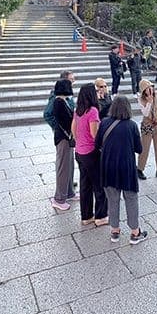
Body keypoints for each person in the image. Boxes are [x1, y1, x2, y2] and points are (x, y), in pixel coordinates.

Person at [95, 95, 147, 244]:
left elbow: (97, 143)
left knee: (112, 199)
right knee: (131, 198)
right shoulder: (131, 125)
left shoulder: (104, 123)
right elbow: (139, 148)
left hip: (108, 167)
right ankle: (135, 232)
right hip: (126, 168)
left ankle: (115, 231)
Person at [72, 83, 108, 226]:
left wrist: (80, 141)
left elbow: (73, 130)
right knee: (99, 185)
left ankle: (86, 216)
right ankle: (100, 216)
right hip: (91, 154)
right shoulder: (92, 111)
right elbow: (95, 135)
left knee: (85, 185)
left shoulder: (78, 110)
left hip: (79, 152)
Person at [50, 79, 75, 211]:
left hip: (66, 137)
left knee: (69, 166)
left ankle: (69, 192)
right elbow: (67, 120)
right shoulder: (59, 102)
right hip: (63, 138)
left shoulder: (62, 101)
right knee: (63, 168)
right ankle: (59, 198)